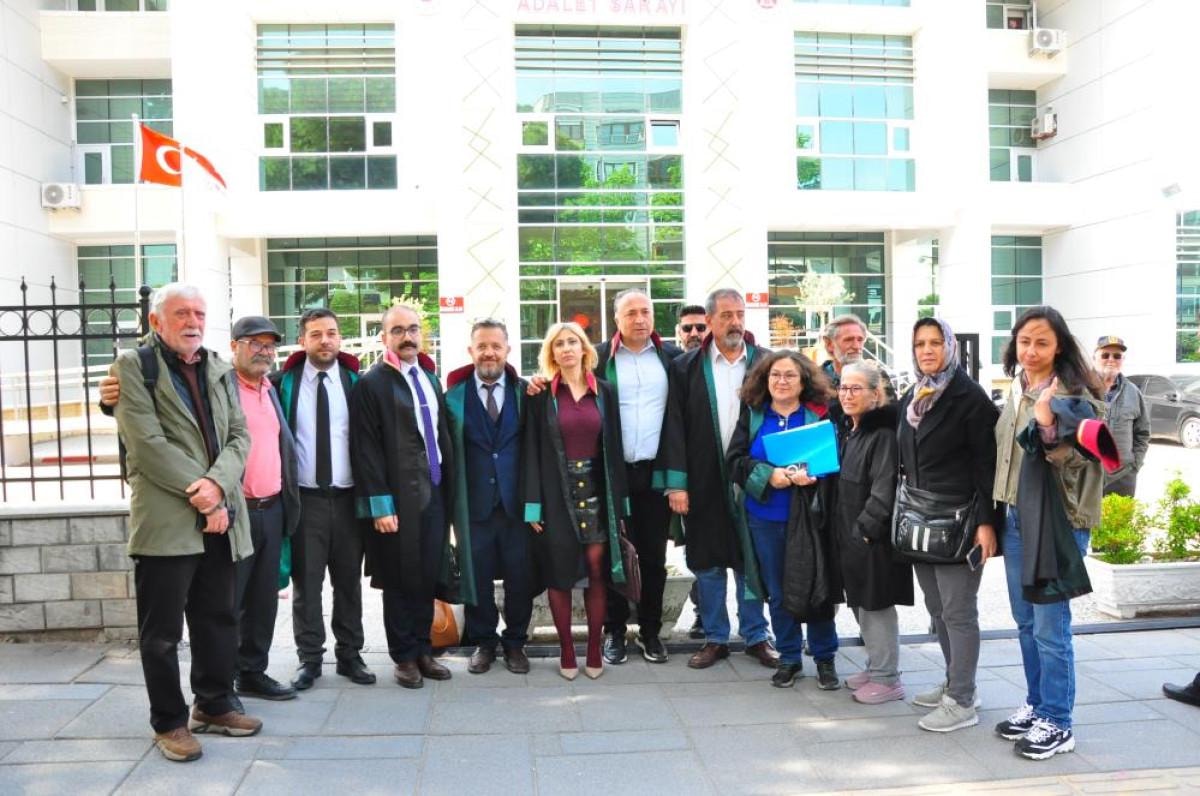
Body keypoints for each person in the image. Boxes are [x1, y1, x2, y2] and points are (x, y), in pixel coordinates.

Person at [100, 316, 303, 710]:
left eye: (269, 345)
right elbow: (160, 420)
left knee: (261, 600)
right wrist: (109, 401)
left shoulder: (272, 387)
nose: (263, 352)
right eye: (254, 343)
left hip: (271, 506)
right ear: (235, 346)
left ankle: (251, 672)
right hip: (229, 508)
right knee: (224, 606)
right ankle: (219, 687)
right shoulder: (221, 383)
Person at [110, 282, 260, 762]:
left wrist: (218, 485)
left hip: (220, 516)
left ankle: (213, 704)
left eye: (199, 313)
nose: (192, 322)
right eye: (181, 314)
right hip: (169, 520)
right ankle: (169, 722)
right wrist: (205, 496)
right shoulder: (134, 366)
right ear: (156, 321)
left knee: (218, 617)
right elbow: (147, 444)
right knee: (162, 633)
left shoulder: (218, 367)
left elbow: (240, 436)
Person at [993, 306, 1105, 760]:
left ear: (1059, 347)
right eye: (1025, 341)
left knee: (1050, 627)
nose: (1031, 350)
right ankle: (1038, 704)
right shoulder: (1016, 388)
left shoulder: (1077, 395)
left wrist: (1046, 423)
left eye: (1042, 342)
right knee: (1025, 621)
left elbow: (1083, 461)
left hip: (1057, 522)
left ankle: (1058, 721)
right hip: (1015, 517)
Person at [658, 288, 778, 671]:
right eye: (726, 315)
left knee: (749, 559)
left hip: (753, 476)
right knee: (707, 561)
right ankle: (715, 637)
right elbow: (674, 425)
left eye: (740, 314)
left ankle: (756, 635)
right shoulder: (686, 367)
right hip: (702, 477)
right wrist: (677, 484)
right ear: (709, 321)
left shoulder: (765, 363)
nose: (735, 322)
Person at [896, 318, 1000, 732]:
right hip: (921, 519)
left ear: (950, 347)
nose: (926, 350)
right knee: (937, 608)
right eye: (919, 343)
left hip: (960, 520)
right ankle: (956, 681)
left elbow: (986, 466)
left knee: (958, 611)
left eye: (935, 343)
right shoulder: (915, 394)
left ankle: (962, 700)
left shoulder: (969, 398)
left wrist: (986, 523)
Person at [351, 304, 458, 689]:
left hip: (434, 493)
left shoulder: (429, 378)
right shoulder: (371, 384)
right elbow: (365, 449)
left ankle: (424, 649)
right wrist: (380, 505)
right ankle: (404, 657)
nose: (407, 336)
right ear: (384, 338)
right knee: (399, 579)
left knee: (426, 576)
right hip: (396, 501)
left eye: (412, 329)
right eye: (397, 330)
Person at [271, 308, 375, 690]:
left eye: (331, 333)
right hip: (306, 500)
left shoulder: (356, 383)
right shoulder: (281, 384)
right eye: (315, 334)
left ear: (340, 338)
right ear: (302, 341)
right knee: (307, 584)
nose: (325, 340)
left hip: (348, 500)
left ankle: (350, 655)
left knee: (348, 582)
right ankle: (310, 659)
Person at [726, 350, 842, 689]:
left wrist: (815, 476)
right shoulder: (754, 416)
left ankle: (825, 658)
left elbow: (837, 462)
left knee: (817, 588)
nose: (782, 381)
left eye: (790, 375)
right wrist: (769, 475)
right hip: (765, 518)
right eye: (775, 375)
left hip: (810, 519)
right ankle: (789, 657)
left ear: (803, 381)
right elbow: (734, 462)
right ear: (765, 380)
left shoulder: (820, 414)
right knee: (777, 593)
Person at [521, 322, 630, 680]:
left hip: (598, 492)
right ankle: (567, 649)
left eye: (573, 341)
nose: (566, 348)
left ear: (585, 348)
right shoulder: (540, 395)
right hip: (556, 493)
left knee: (597, 571)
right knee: (560, 573)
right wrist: (533, 504)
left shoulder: (606, 392)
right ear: (551, 353)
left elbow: (615, 448)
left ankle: (594, 648)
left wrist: (620, 506)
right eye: (559, 344)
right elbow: (531, 450)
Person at [596, 289, 683, 665]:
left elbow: (681, 420)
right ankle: (614, 631)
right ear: (616, 319)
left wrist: (679, 480)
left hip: (654, 473)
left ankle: (650, 632)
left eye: (645, 311)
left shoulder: (671, 359)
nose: (640, 319)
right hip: (611, 472)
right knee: (613, 554)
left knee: (652, 556)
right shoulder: (599, 358)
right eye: (631, 312)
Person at [444, 319, 534, 675]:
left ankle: (515, 643)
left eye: (496, 346)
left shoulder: (526, 393)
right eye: (482, 346)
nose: (489, 353)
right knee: (476, 577)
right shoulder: (453, 397)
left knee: (520, 578)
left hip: (516, 505)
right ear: (471, 351)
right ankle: (484, 642)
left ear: (508, 350)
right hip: (473, 505)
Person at [834, 360, 912, 705]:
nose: (847, 395)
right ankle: (875, 666)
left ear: (876, 394)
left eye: (856, 388)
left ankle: (887, 678)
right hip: (852, 536)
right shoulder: (853, 430)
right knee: (861, 603)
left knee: (876, 605)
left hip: (872, 538)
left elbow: (885, 487)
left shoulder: (882, 435)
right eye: (843, 387)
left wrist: (865, 530)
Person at [675, 303, 708, 639]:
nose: (695, 333)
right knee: (696, 549)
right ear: (679, 333)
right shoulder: (673, 364)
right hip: (687, 476)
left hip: (730, 471)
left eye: (700, 327)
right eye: (688, 328)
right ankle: (704, 614)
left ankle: (754, 626)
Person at [1093, 335, 1150, 497]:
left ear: (1122, 360)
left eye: (1117, 356)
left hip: (1123, 477)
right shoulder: (1081, 390)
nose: (1111, 360)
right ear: (1094, 358)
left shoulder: (1133, 392)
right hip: (1088, 476)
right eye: (1105, 355)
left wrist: (1134, 465)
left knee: (1121, 515)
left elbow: (1142, 433)